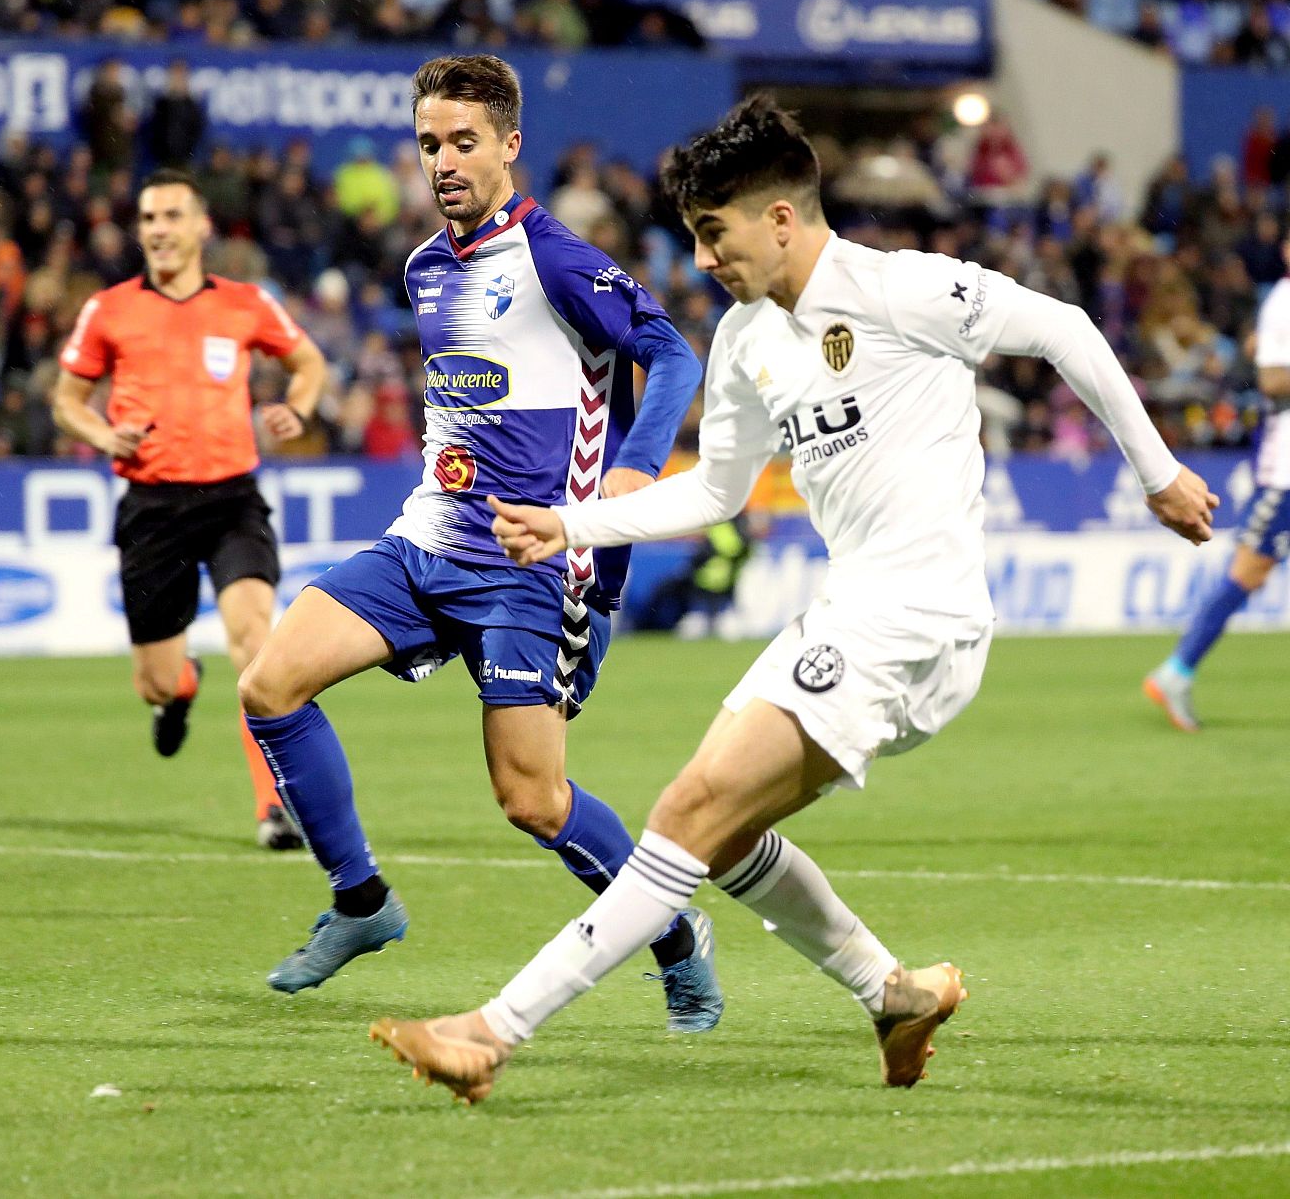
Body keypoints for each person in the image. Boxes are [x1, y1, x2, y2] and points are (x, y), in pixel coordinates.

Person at [367, 94, 1218, 1103]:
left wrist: (1156, 471)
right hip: (850, 610)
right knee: (720, 837)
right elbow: (717, 491)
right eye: (692, 236)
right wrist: (571, 523)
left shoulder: (902, 290)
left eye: (713, 234)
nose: (703, 258)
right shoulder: (744, 340)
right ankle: (891, 991)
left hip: (916, 617)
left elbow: (1065, 329)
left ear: (780, 216)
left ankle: (491, 1029)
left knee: (688, 805)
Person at [237, 55, 719, 1028]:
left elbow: (670, 352)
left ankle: (673, 935)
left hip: (530, 566)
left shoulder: (556, 257)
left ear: (508, 144)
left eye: (463, 142)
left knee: (533, 800)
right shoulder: (424, 268)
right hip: (425, 541)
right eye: (428, 145)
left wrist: (636, 466)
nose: (444, 162)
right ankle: (360, 900)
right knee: (268, 683)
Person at [53, 168, 328, 851]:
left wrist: (299, 407)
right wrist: (100, 433)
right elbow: (65, 398)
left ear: (202, 226)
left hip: (232, 497)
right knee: (152, 678)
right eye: (148, 218)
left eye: (172, 216)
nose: (159, 230)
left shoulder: (244, 303)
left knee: (256, 647)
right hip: (152, 506)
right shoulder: (109, 309)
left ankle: (273, 809)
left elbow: (310, 362)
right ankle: (179, 688)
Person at [1145, 238, 1290, 731]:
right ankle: (1176, 672)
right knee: (1248, 573)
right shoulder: (1284, 301)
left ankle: (1176, 672)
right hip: (1286, 473)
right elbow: (1271, 380)